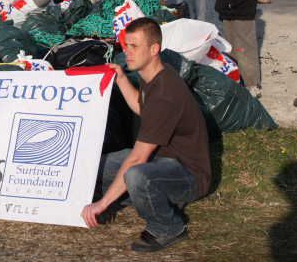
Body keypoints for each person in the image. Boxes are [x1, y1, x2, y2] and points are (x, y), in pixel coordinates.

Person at [81, 17, 211, 252]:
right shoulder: (152, 74)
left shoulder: (165, 93)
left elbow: (138, 158)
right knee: (100, 165)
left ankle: (168, 227)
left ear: (154, 49)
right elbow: (143, 109)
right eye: (126, 46)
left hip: (188, 175)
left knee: (136, 175)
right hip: (161, 162)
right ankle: (147, 197)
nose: (127, 53)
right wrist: (120, 77)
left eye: (134, 46)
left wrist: (103, 203)